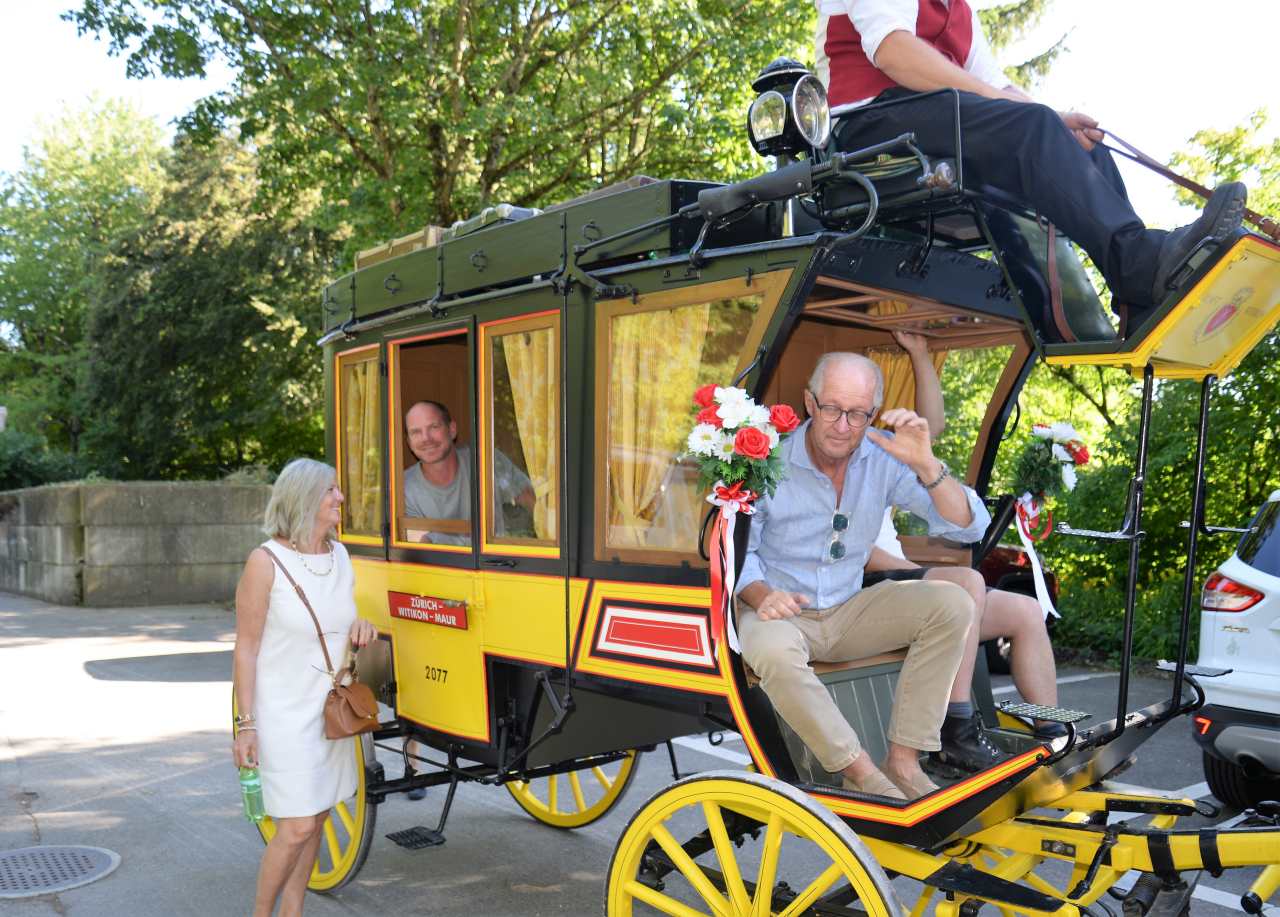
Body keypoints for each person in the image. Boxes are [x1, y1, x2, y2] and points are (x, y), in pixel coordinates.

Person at [815, 0, 1247, 318]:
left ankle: (1138, 301)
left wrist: (1058, 123)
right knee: (1037, 126)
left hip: (934, 121)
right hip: (869, 124)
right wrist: (1028, 115)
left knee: (1086, 148)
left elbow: (998, 86)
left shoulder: (960, 12)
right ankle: (1142, 264)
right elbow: (893, 51)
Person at [736, 352, 991, 800]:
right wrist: (761, 596)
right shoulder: (767, 460)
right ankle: (860, 772)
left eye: (857, 414)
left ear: (873, 413)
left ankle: (904, 762)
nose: (842, 425)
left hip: (848, 611)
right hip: (778, 612)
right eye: (832, 409)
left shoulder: (884, 454)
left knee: (954, 603)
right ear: (810, 402)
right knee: (771, 650)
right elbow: (737, 552)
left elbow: (967, 527)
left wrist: (928, 466)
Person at [864, 331, 1059, 773]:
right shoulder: (830, 464)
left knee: (1026, 611)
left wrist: (919, 353)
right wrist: (922, 574)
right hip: (870, 590)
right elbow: (858, 556)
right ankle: (955, 727)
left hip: (901, 581)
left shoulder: (880, 453)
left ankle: (1051, 731)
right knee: (964, 584)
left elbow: (931, 426)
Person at [232, 458, 378, 917]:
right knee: (295, 826)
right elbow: (246, 649)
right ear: (303, 498)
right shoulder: (265, 562)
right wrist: (245, 725)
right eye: (331, 490)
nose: (340, 497)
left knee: (317, 815)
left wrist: (360, 626)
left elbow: (338, 621)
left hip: (330, 708)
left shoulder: (340, 557)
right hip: (281, 713)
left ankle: (292, 910)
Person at [402, 400, 534, 545]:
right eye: (416, 432)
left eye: (434, 427)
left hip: (498, 557)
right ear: (409, 443)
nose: (426, 438)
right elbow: (422, 545)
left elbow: (531, 501)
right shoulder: (403, 487)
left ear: (452, 430)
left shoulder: (486, 462)